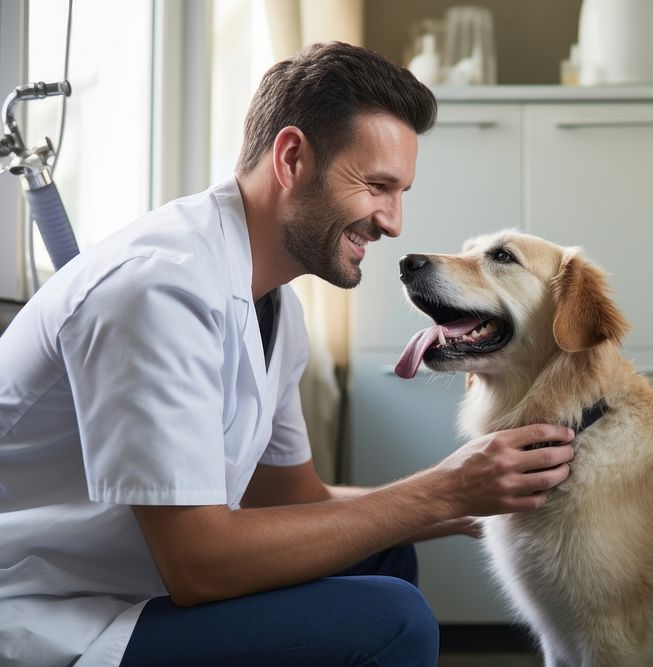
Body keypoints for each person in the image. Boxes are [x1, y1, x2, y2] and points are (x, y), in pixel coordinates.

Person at [0, 41, 575, 666]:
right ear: (293, 158)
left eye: (400, 191)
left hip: (139, 585)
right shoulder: (157, 288)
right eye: (377, 186)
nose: (393, 223)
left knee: (386, 550)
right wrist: (443, 493)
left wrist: (475, 503)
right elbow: (199, 564)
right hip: (51, 610)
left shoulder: (274, 304)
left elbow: (293, 500)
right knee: (393, 622)